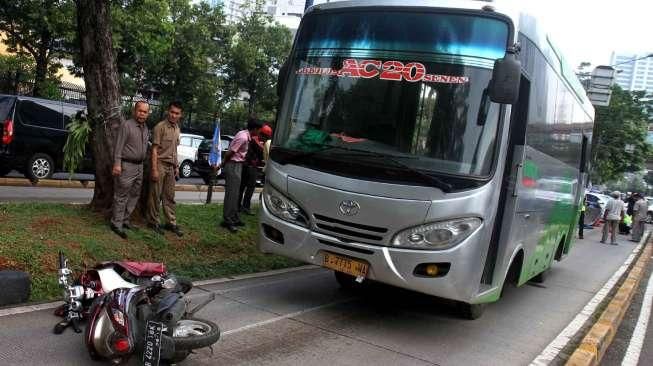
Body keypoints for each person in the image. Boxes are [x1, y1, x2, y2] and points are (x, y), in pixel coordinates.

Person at [110, 101, 150, 239]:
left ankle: (126, 220)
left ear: (147, 114)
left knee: (134, 194)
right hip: (127, 166)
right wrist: (117, 164)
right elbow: (119, 146)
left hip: (140, 166)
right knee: (121, 195)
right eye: (140, 111)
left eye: (145, 112)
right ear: (135, 111)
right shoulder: (127, 125)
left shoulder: (145, 128)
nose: (142, 114)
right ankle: (116, 223)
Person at [217, 118, 262, 233]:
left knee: (236, 193)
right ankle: (227, 220)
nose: (259, 133)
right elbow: (230, 152)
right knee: (231, 194)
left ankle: (234, 217)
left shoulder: (245, 135)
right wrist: (221, 165)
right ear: (255, 129)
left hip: (238, 165)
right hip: (233, 165)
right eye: (259, 130)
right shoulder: (243, 137)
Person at [147, 101, 184, 237]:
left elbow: (174, 149)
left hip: (171, 167)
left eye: (177, 113)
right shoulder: (160, 127)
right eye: (172, 112)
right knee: (155, 195)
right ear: (168, 112)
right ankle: (153, 222)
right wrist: (154, 169)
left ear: (180, 115)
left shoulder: (177, 128)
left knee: (169, 196)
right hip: (160, 164)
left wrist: (177, 167)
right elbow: (154, 149)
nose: (174, 115)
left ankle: (171, 222)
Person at [238, 123, 269, 215]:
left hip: (248, 166)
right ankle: (245, 207)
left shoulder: (254, 139)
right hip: (250, 167)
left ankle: (239, 206)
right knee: (249, 188)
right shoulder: (255, 140)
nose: (265, 139)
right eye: (265, 137)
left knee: (243, 187)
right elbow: (261, 150)